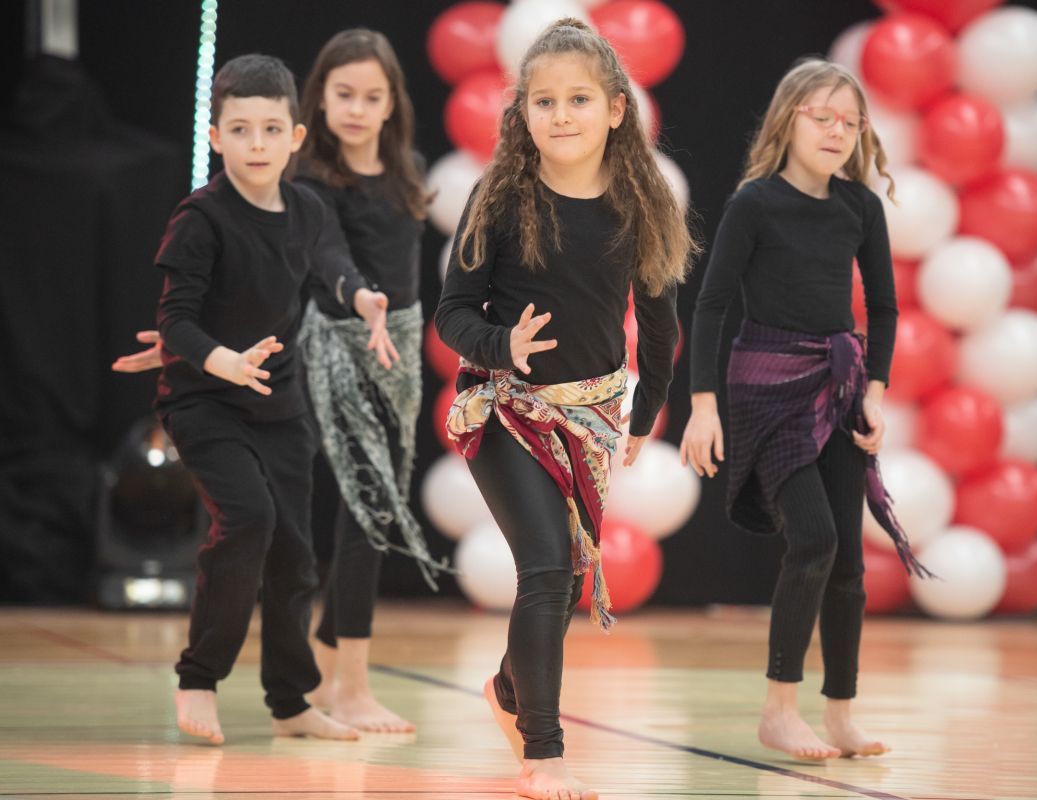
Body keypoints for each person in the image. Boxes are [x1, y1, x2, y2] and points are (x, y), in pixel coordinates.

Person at [434, 18, 694, 800]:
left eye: (579, 99)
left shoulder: (639, 203)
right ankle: (543, 752)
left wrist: (647, 410)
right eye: (543, 101)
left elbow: (659, 322)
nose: (561, 115)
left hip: (589, 416)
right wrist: (500, 344)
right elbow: (452, 312)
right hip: (501, 405)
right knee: (546, 566)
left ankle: (509, 689)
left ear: (615, 109)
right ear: (523, 114)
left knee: (564, 573)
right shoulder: (500, 199)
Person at [680, 58, 928, 762]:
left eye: (850, 122)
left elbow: (884, 307)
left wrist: (874, 392)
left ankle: (840, 713)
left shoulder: (860, 208)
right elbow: (712, 305)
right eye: (822, 116)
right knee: (813, 539)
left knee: (847, 561)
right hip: (767, 390)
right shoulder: (753, 204)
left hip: (840, 389)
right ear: (789, 119)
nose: (836, 131)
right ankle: (779, 710)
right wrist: (703, 406)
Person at [147, 53, 398, 745]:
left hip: (279, 405)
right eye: (240, 130)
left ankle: (290, 703)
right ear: (215, 137)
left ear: (295, 137)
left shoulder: (308, 208)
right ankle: (199, 677)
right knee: (248, 520)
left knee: (294, 551)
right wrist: (222, 361)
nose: (256, 144)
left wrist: (362, 297)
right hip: (204, 402)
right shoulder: (199, 219)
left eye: (270, 130)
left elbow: (331, 263)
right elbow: (175, 320)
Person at [294, 28, 447, 735]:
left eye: (371, 96)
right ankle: (351, 687)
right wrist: (362, 299)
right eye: (344, 94)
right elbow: (327, 255)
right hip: (337, 352)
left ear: (391, 104)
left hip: (398, 357)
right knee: (367, 510)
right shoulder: (309, 178)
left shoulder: (408, 169)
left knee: (374, 512)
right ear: (321, 99)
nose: (356, 109)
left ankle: (326, 675)